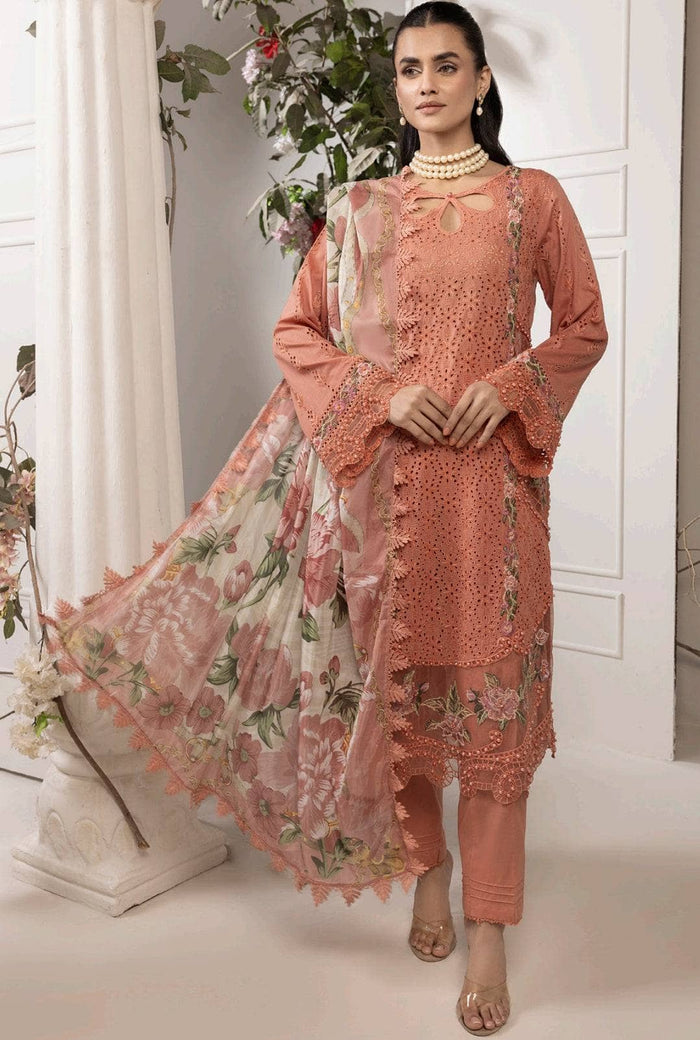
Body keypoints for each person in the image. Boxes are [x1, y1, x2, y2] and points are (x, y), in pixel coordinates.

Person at [39, 1, 608, 1035]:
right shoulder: (356, 211)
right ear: (396, 87)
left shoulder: (534, 200)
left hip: (492, 500)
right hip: (388, 501)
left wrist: (510, 386)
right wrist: (384, 393)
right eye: (410, 69)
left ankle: (488, 928)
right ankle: (428, 877)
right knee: (403, 709)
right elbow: (298, 332)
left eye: (447, 66)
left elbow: (581, 327)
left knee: (494, 717)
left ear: (482, 81)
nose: (427, 84)